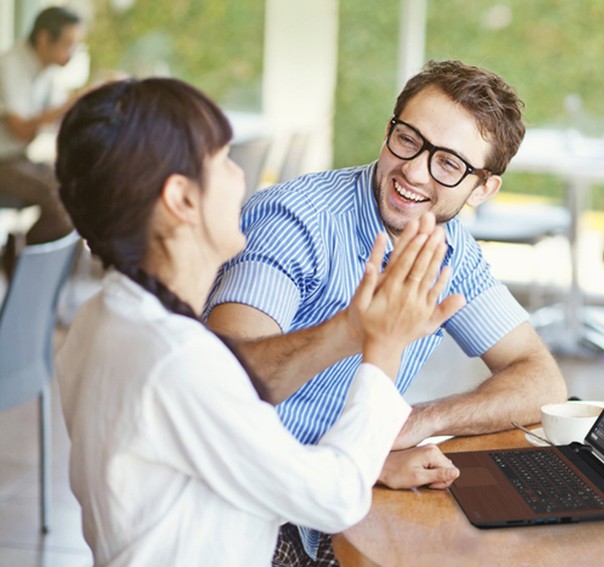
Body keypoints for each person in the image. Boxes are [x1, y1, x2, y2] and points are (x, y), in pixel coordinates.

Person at [54, 77, 463, 566]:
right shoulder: (178, 363)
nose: (242, 178)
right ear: (182, 199)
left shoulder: (104, 316)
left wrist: (355, 328)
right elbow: (335, 499)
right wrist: (385, 347)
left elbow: (238, 451)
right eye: (224, 160)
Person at [205, 59, 567, 563]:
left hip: (339, 492)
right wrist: (354, 331)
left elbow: (541, 380)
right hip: (249, 510)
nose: (413, 171)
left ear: (482, 188)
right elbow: (224, 385)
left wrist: (412, 424)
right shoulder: (295, 219)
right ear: (388, 130)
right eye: (408, 139)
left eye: (448, 164)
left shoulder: (450, 248)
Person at [0, 6, 82, 274]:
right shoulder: (10, 65)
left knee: (74, 185)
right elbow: (21, 130)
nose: (72, 53)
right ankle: (21, 269)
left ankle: (21, 263)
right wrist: (67, 105)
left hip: (18, 158)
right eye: (68, 44)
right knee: (57, 196)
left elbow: (54, 120)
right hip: (3, 160)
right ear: (45, 38)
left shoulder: (45, 72)